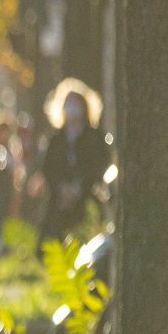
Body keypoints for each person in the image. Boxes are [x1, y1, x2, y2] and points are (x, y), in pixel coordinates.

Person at [38, 78, 110, 246]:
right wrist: (61, 188)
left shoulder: (94, 137)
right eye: (67, 103)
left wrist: (81, 186)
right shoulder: (56, 139)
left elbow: (100, 164)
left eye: (75, 103)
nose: (71, 108)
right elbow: (48, 168)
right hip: (58, 201)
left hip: (87, 198)